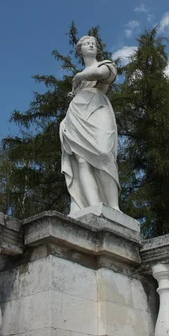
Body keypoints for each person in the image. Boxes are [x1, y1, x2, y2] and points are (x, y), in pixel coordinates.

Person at [60, 35, 120, 214]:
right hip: (76, 113)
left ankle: (113, 207)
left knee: (103, 154)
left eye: (94, 43)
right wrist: (64, 123)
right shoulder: (77, 85)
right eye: (87, 44)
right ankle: (92, 207)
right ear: (80, 50)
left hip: (98, 108)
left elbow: (100, 75)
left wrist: (79, 76)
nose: (91, 45)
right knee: (82, 161)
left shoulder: (106, 65)